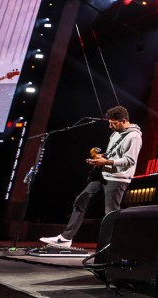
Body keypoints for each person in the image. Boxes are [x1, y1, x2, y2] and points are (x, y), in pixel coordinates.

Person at [40, 106, 142, 248]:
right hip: (103, 174)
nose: (110, 125)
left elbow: (129, 161)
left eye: (113, 123)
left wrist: (105, 161)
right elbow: (114, 153)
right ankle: (65, 239)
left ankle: (110, 246)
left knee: (110, 213)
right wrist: (101, 157)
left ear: (123, 120)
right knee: (81, 200)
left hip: (118, 178)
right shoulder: (115, 133)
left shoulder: (134, 137)